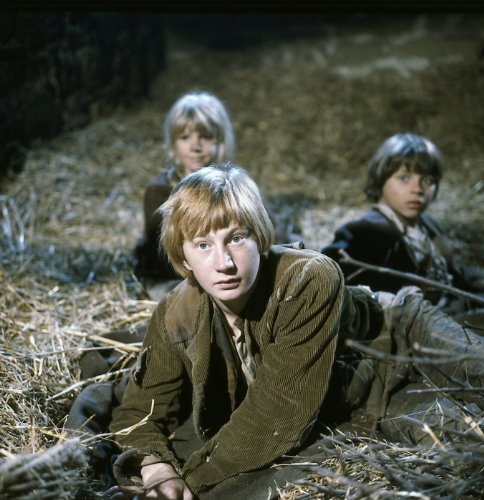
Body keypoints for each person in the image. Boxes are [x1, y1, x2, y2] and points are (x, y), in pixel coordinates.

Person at [103, 162, 483, 499]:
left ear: (260, 238)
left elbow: (278, 412)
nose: (224, 263)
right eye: (203, 244)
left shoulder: (308, 277)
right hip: (362, 397)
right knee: (458, 436)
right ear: (183, 257)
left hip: (402, 336)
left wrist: (190, 481)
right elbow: (138, 412)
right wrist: (155, 467)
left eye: (236, 238)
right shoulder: (175, 313)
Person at [321, 132, 484, 315]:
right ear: (380, 180)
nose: (418, 189)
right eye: (404, 178)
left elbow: (453, 276)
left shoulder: (427, 225)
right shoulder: (364, 232)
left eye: (427, 180)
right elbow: (326, 280)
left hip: (456, 314)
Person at [132, 91, 236, 298]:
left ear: (220, 141)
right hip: (173, 277)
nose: (195, 146)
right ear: (173, 143)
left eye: (205, 137)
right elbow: (161, 257)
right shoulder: (160, 191)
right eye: (185, 137)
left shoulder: (231, 183)